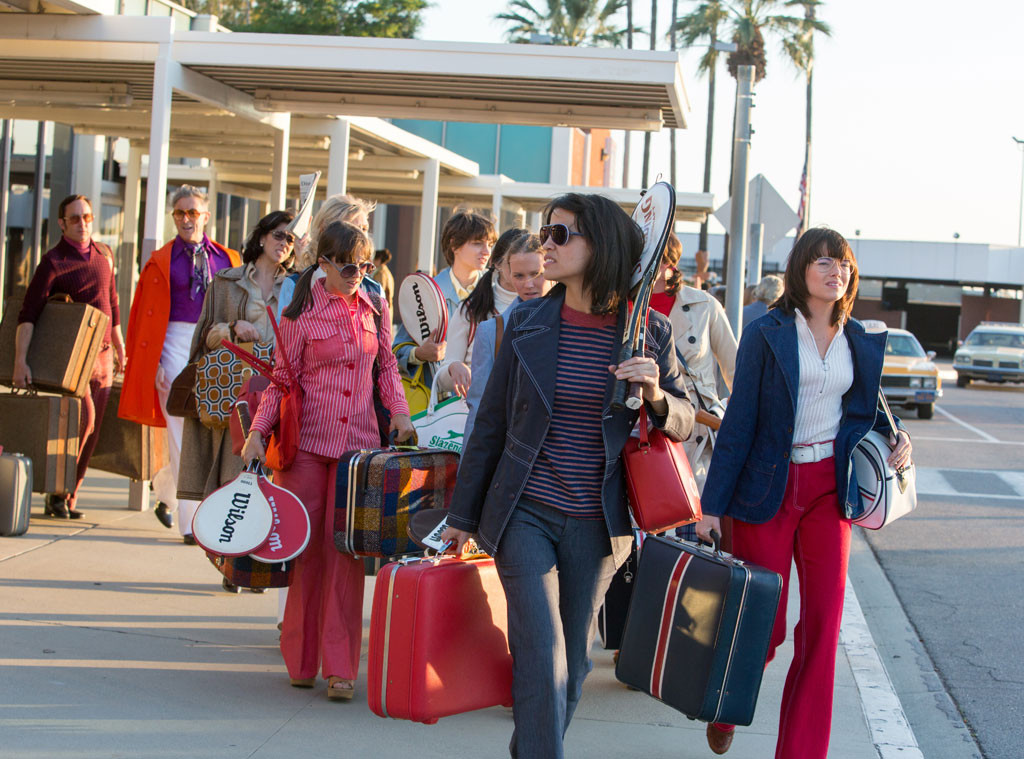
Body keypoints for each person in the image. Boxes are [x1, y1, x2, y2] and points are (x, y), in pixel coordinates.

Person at [439, 193, 694, 759]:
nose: (545, 245)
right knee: (541, 650)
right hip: (524, 510)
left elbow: (683, 418)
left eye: (560, 235)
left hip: (601, 525)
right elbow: (491, 424)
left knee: (571, 666)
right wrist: (461, 516)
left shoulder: (647, 332)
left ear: (599, 246)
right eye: (544, 233)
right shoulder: (525, 320)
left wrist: (654, 393)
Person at [696, 227, 913, 758]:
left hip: (826, 492)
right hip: (764, 488)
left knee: (822, 627)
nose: (833, 270)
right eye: (821, 261)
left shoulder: (858, 337)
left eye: (841, 262)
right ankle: (727, 704)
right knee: (763, 626)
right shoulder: (767, 332)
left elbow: (866, 404)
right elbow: (739, 420)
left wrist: (895, 433)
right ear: (799, 271)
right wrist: (712, 506)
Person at [241, 221, 414, 701]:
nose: (357, 273)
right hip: (306, 447)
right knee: (305, 550)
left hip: (358, 447)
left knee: (346, 554)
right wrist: (257, 433)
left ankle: (341, 668)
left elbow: (386, 368)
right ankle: (301, 659)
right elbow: (280, 380)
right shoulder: (299, 312)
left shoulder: (375, 307)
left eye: (364, 265)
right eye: (347, 266)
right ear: (323, 264)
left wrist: (399, 413)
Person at [177, 210, 295, 591]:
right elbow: (204, 341)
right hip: (239, 398)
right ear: (261, 238)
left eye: (291, 240)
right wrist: (229, 328)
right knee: (235, 479)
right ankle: (232, 562)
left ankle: (257, 565)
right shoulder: (226, 283)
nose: (284, 244)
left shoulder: (296, 288)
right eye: (279, 235)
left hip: (279, 396)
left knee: (271, 482)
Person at [120, 185, 240, 542]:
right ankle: (191, 523)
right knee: (182, 429)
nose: (186, 219)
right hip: (172, 344)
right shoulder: (160, 260)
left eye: (193, 212)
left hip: (216, 347)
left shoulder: (228, 258)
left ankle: (167, 489)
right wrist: (151, 362)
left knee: (212, 430)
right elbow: (141, 314)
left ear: (205, 216)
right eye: (179, 213)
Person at [13, 194, 126, 519]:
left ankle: (68, 495)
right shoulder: (53, 261)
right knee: (84, 421)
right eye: (75, 218)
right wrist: (21, 360)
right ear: (62, 223)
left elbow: (112, 302)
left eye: (87, 217)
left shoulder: (104, 254)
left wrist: (120, 346)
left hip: (104, 356)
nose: (82, 223)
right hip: (73, 359)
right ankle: (57, 491)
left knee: (93, 432)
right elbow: (29, 313)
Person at [648, 233, 736, 492]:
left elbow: (737, 371)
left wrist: (725, 417)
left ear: (669, 263)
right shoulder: (620, 306)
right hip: (637, 428)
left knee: (689, 511)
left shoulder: (704, 305)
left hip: (694, 430)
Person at [461, 230, 547, 451]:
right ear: (508, 274)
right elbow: (480, 409)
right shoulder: (491, 331)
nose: (528, 284)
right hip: (510, 456)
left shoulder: (573, 324)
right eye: (519, 276)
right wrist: (469, 476)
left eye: (536, 273)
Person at [392, 209, 496, 388]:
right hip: (439, 405)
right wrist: (419, 354)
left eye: (490, 243)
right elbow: (396, 350)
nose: (487, 251)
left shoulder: (496, 291)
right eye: (478, 243)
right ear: (454, 245)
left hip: (485, 401)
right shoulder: (426, 293)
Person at [435, 227, 524, 397]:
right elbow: (442, 381)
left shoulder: (545, 308)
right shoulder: (471, 310)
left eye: (534, 271)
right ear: (497, 264)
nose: (527, 279)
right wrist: (454, 369)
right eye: (515, 263)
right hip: (477, 416)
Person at [278, 194, 381, 316]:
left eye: (364, 229)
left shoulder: (373, 290)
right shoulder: (295, 284)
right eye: (351, 228)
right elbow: (286, 333)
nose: (361, 237)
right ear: (325, 230)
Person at [371, 248, 395, 313]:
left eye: (374, 259)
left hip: (382, 311)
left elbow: (377, 294)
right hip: (388, 310)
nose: (372, 261)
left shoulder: (381, 274)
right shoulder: (388, 273)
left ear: (378, 260)